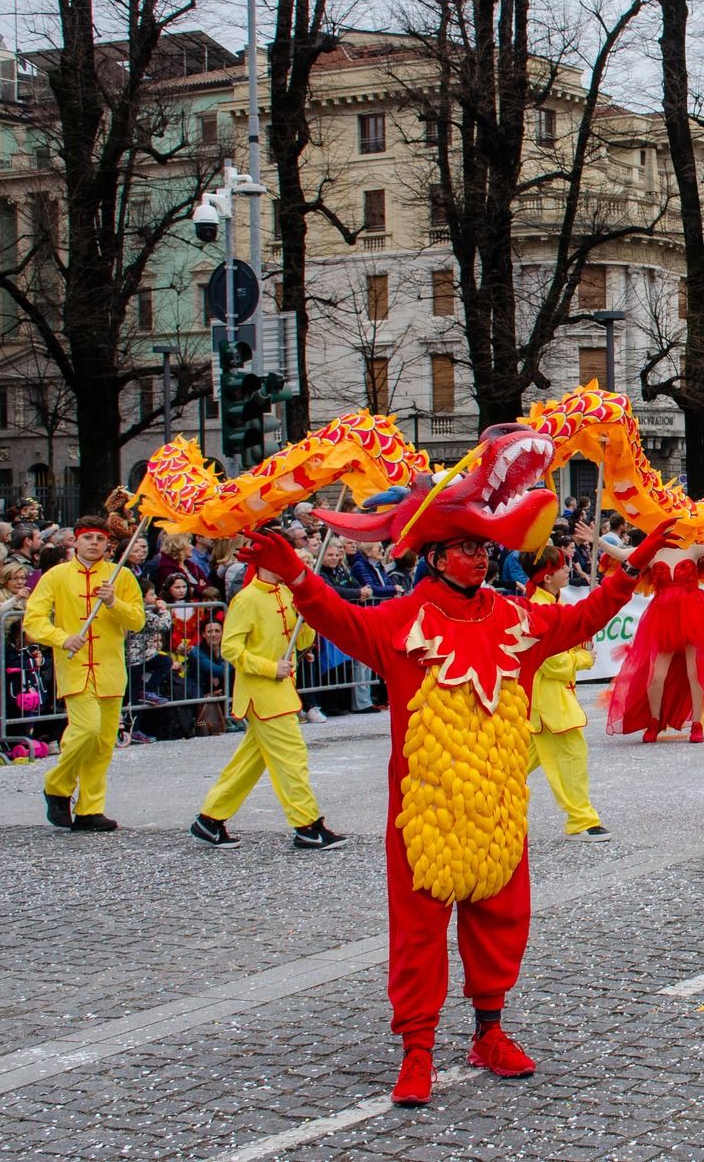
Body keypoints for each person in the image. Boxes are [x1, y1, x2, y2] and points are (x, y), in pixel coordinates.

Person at [236, 429, 676, 1108]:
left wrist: (631, 567)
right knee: (417, 930)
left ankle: (489, 1030)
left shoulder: (517, 620)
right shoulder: (401, 622)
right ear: (435, 554)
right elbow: (340, 620)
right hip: (426, 810)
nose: (479, 557)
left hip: (497, 806)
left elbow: (585, 619)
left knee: (502, 917)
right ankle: (416, 1048)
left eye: (485, 547)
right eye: (468, 547)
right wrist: (294, 574)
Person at [188, 561, 350, 851]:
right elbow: (230, 648)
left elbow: (302, 640)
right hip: (262, 692)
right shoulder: (246, 599)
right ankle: (307, 825)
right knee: (292, 758)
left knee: (249, 763)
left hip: (280, 689)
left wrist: (305, 619)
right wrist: (269, 667)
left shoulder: (287, 595)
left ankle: (210, 819)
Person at [24, 517, 145, 831]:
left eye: (100, 539)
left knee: (104, 743)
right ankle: (57, 784)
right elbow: (33, 620)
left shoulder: (123, 576)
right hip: (75, 667)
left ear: (108, 544)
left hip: (110, 670)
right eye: (88, 537)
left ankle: (90, 808)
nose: (94, 543)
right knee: (86, 731)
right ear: (74, 542)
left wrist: (113, 603)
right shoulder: (56, 576)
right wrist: (62, 638)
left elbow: (137, 621)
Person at [600, 526, 704, 743]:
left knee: (694, 672)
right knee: (656, 676)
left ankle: (696, 724)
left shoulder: (692, 549)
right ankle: (654, 721)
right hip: (662, 617)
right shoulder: (650, 552)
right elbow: (623, 554)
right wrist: (598, 541)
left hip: (694, 613)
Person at [520, 546, 610, 841]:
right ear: (547, 576)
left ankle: (480, 802)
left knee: (515, 763)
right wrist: (582, 658)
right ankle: (581, 820)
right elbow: (553, 662)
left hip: (549, 698)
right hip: (549, 700)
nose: (567, 570)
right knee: (571, 755)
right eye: (562, 567)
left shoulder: (552, 602)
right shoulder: (538, 607)